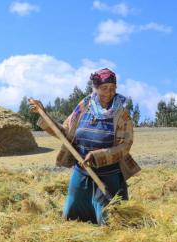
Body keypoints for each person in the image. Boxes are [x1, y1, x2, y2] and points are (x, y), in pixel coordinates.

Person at [30, 68, 140, 225]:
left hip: (108, 176)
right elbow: (65, 133)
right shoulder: (83, 107)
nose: (109, 93)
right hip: (81, 172)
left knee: (109, 221)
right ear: (94, 88)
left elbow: (124, 147)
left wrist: (97, 156)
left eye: (112, 88)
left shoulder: (121, 115)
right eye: (104, 88)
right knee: (71, 217)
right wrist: (44, 114)